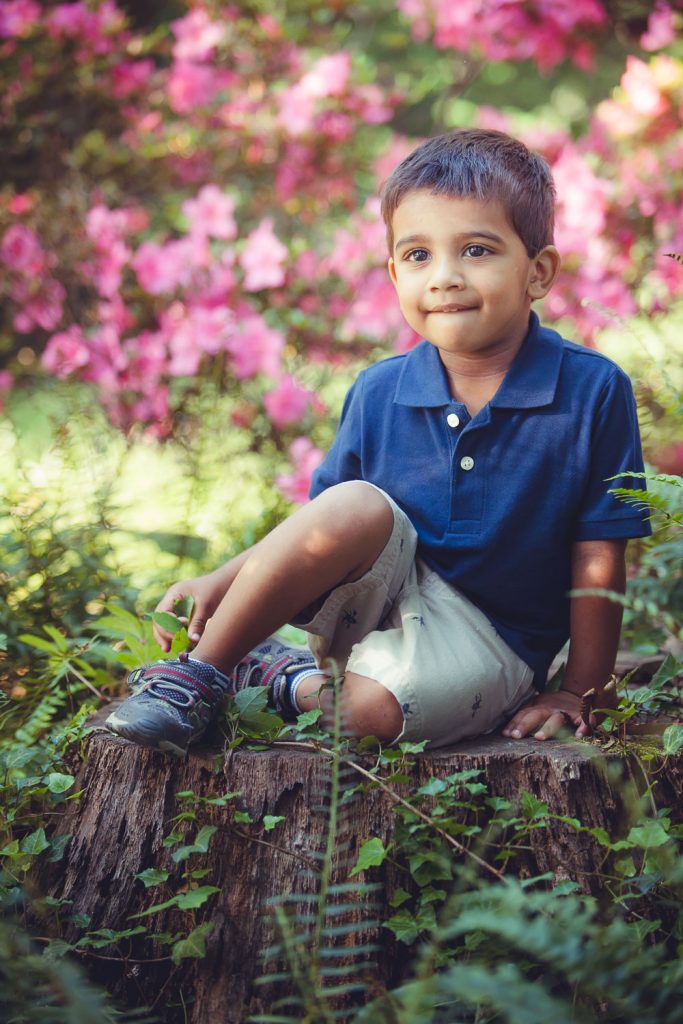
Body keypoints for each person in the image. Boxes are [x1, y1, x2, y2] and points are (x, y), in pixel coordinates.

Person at [105, 128, 651, 758]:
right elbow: (319, 534)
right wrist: (220, 580)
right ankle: (199, 674)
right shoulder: (379, 389)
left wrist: (583, 691)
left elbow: (598, 556)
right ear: (394, 273)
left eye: (476, 250)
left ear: (538, 272)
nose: (443, 277)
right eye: (418, 256)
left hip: (491, 642)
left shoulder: (591, 390)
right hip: (378, 600)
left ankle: (282, 678)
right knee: (354, 503)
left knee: (370, 712)